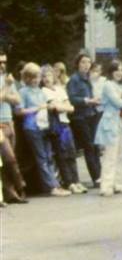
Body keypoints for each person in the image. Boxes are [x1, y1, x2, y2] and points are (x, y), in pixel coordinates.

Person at [17, 63, 71, 197]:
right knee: (41, 157)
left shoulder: (40, 91)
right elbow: (19, 111)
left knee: (48, 156)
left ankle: (55, 185)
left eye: (37, 77)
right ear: (27, 78)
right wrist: (37, 108)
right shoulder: (23, 92)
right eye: (32, 77)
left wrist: (48, 106)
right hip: (32, 127)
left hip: (44, 126)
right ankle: (51, 187)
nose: (36, 80)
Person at [41, 65, 84, 194]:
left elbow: (71, 107)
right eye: (43, 76)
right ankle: (69, 181)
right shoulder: (44, 91)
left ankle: (76, 181)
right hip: (57, 125)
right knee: (62, 154)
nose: (46, 78)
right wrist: (62, 106)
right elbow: (56, 108)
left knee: (71, 153)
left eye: (48, 75)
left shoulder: (59, 89)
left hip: (66, 123)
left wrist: (62, 106)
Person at [94, 60, 122, 197]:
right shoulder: (108, 86)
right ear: (111, 72)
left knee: (120, 154)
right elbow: (118, 102)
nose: (120, 73)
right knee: (110, 155)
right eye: (117, 70)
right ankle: (106, 185)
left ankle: (118, 182)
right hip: (110, 123)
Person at [67, 52, 101, 187]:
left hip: (91, 114)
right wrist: (87, 101)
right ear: (77, 64)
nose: (86, 65)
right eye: (83, 62)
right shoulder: (74, 79)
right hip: (80, 117)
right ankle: (96, 177)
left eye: (88, 62)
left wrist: (94, 101)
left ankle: (100, 174)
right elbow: (72, 98)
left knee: (95, 146)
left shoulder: (87, 79)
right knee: (89, 146)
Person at [0, 51, 28, 203]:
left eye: (4, 62)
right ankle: (20, 185)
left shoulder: (6, 79)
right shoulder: (8, 82)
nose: (3, 65)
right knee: (9, 158)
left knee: (9, 160)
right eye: (0, 62)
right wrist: (7, 88)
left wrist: (5, 95)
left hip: (9, 121)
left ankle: (10, 193)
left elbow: (17, 100)